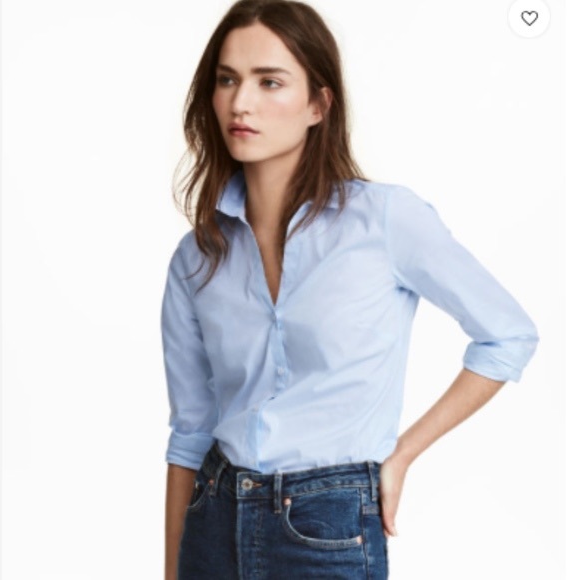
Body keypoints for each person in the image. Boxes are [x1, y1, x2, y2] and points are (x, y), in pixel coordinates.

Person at [160, 1, 539, 578]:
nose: (241, 103)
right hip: (213, 517)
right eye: (228, 80)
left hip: (327, 523)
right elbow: (189, 434)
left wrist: (403, 453)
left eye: (269, 82)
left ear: (318, 104)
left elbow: (507, 335)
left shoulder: (383, 221)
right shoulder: (197, 257)